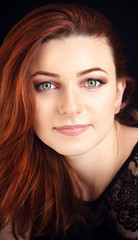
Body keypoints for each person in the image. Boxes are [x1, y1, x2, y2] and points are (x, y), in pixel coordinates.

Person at [0, 3, 138, 240]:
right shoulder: (18, 161)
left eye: (92, 82)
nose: (70, 108)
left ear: (118, 94)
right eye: (46, 85)